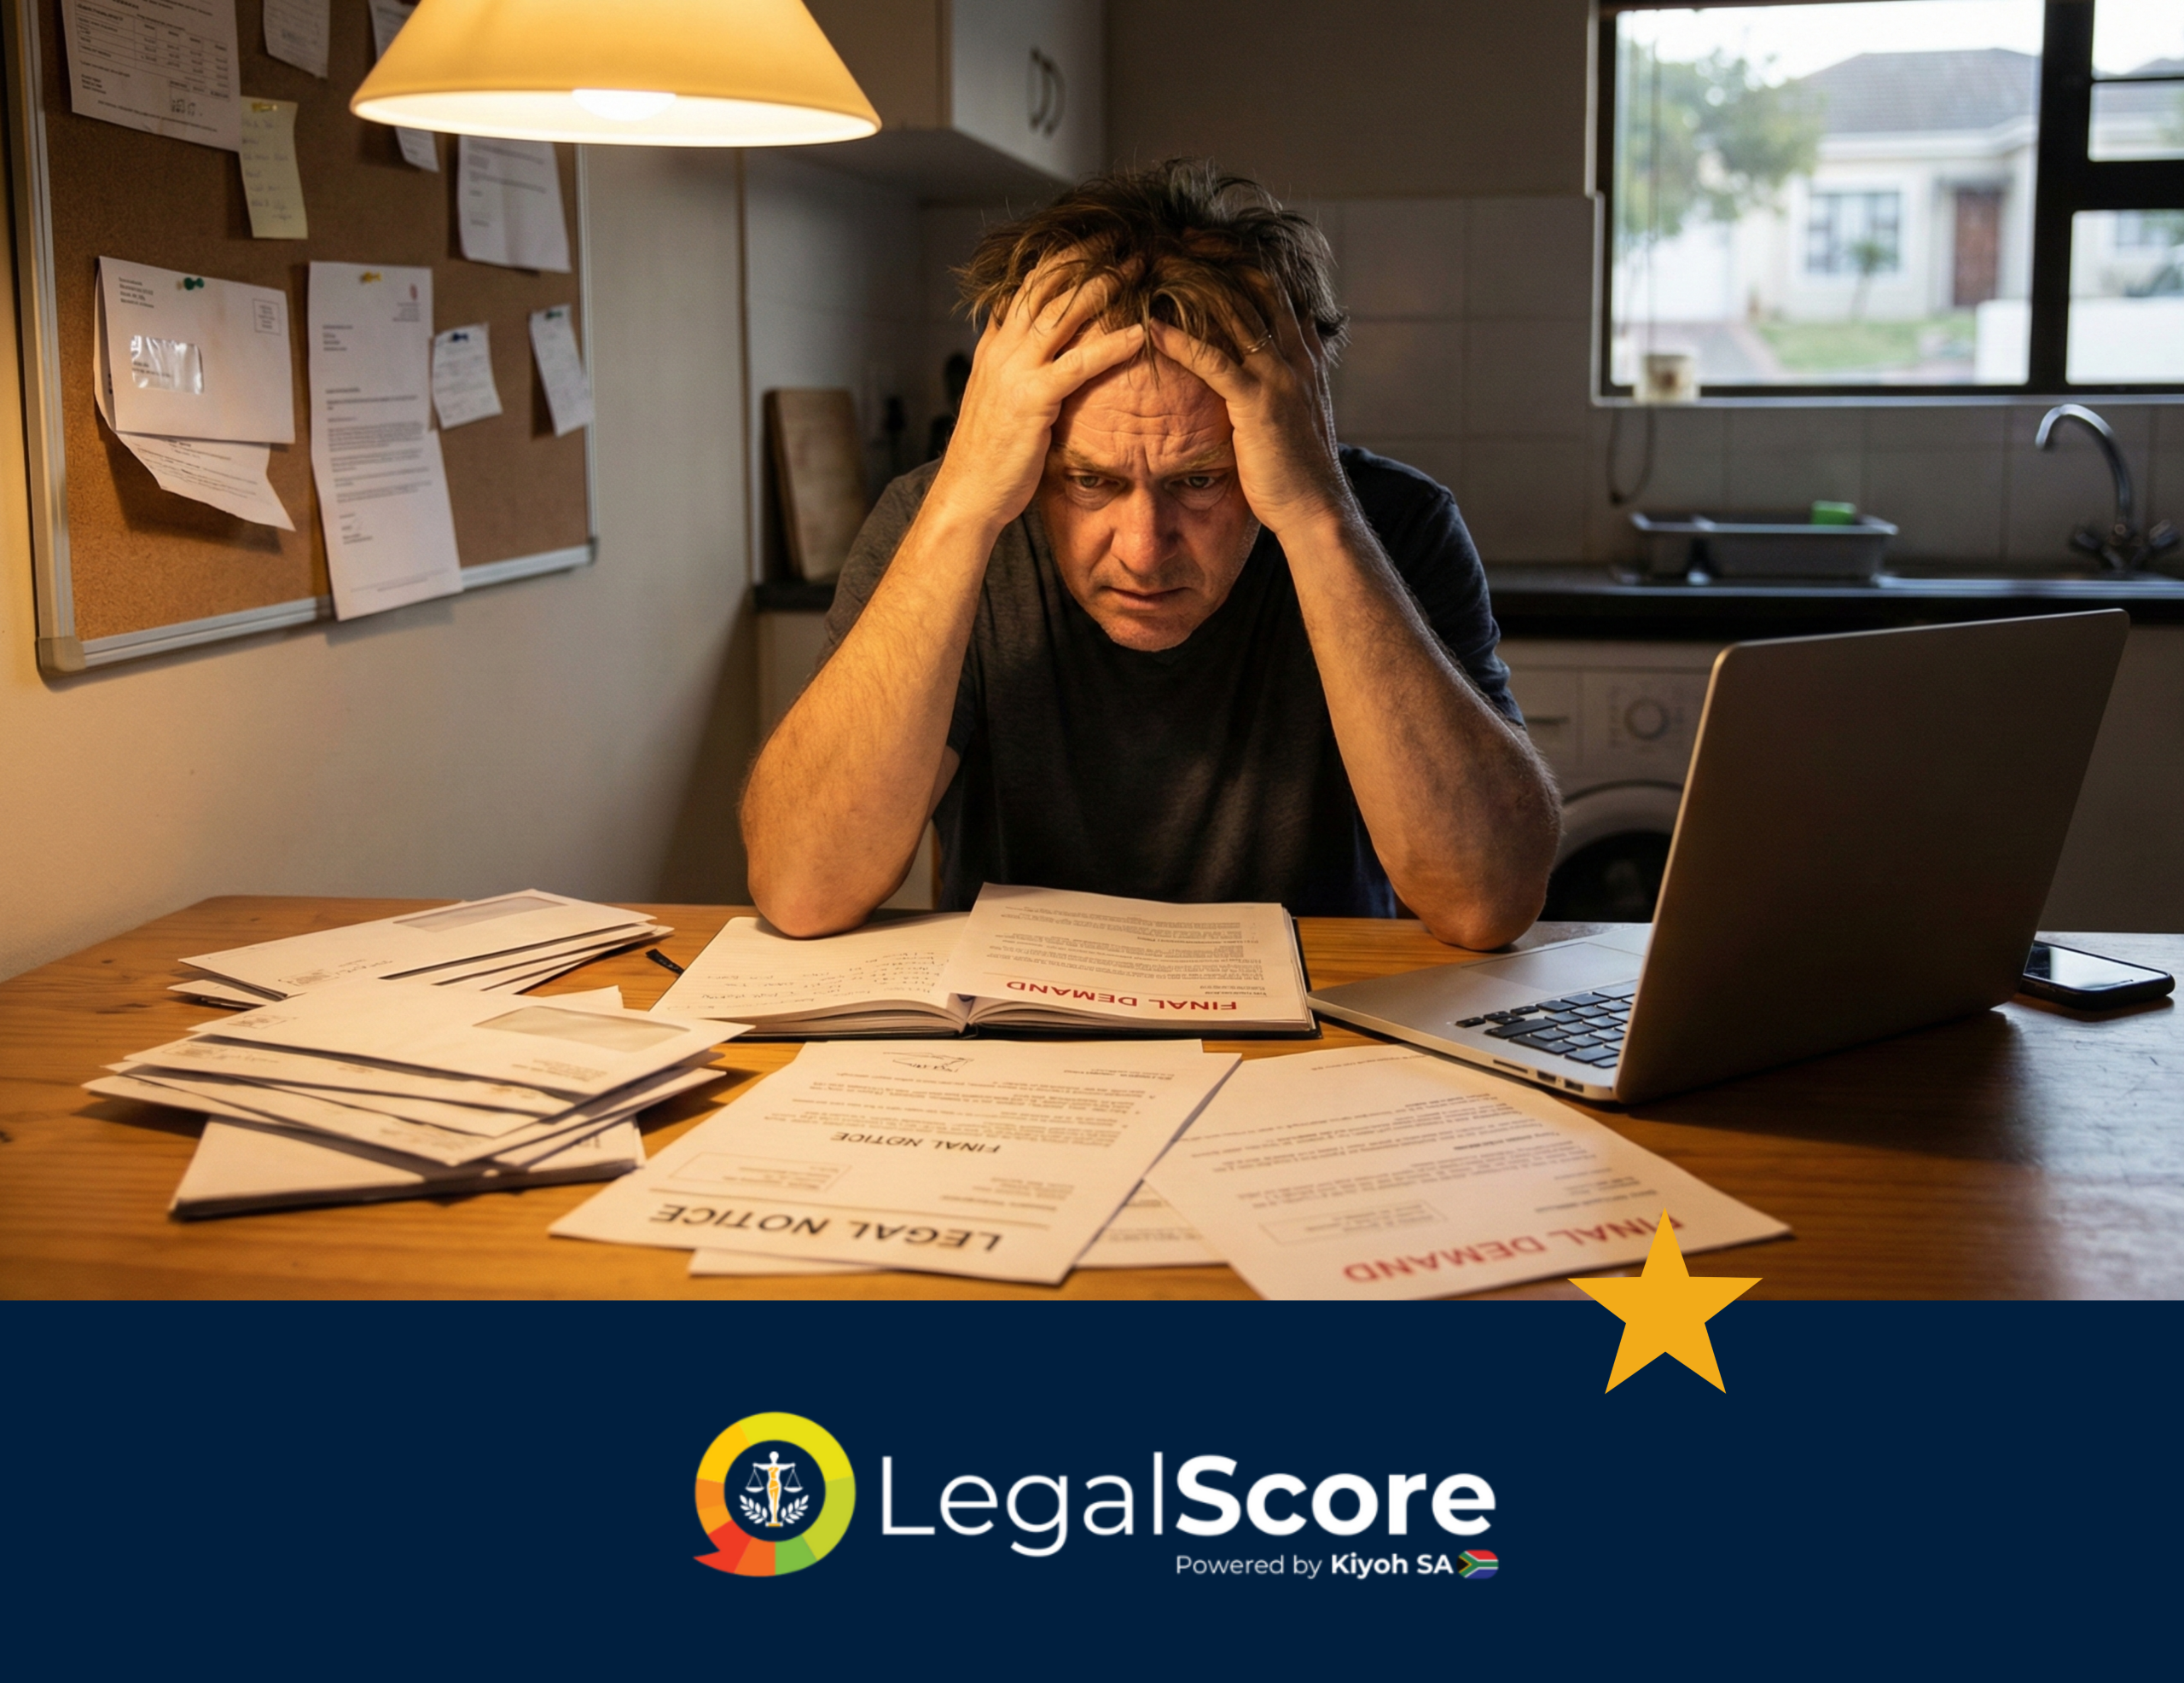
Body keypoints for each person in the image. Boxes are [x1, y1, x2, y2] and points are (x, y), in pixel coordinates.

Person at [741, 160, 1560, 949]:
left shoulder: (1394, 524)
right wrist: (960, 505)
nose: (1142, 551)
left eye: (1201, 480)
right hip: (1013, 1051)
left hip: (1328, 1034)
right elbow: (802, 888)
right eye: (1090, 481)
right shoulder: (941, 520)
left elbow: (1485, 900)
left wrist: (1317, 515)